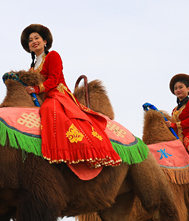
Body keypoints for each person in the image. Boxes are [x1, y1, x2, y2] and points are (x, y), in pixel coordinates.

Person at [20, 24, 121, 170]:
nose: (34, 41)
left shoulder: (53, 56)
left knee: (50, 109)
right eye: (30, 40)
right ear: (28, 46)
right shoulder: (31, 68)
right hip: (41, 96)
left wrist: (36, 89)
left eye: (37, 38)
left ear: (45, 41)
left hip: (57, 93)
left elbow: (54, 79)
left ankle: (69, 149)